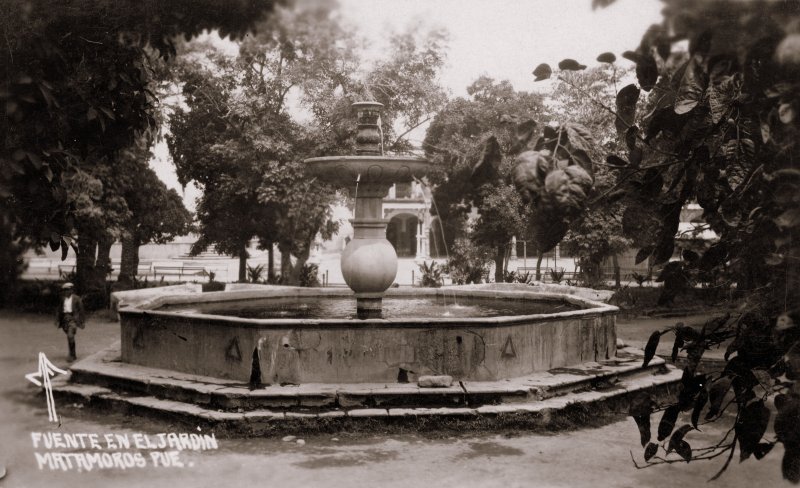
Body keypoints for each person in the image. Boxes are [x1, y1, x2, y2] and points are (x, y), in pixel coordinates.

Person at [55, 283, 86, 361]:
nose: (66, 292)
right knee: (69, 336)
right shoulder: (62, 299)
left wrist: (82, 322)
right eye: (64, 290)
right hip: (65, 319)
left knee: (70, 336)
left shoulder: (76, 299)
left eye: (68, 290)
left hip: (73, 319)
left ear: (71, 290)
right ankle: (73, 353)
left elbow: (81, 310)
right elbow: (59, 310)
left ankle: (71, 355)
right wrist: (57, 320)